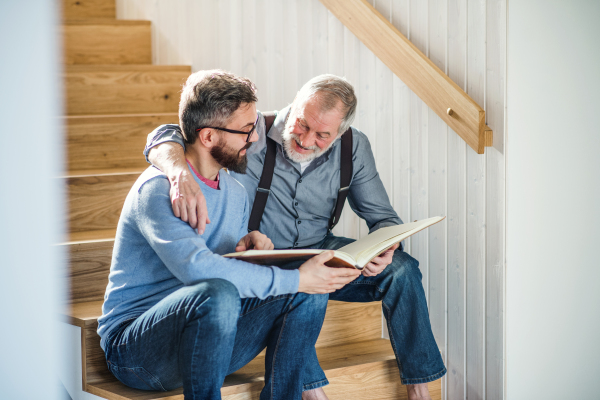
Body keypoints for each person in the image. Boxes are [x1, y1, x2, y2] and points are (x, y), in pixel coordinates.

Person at [144, 74, 446, 400]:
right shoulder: (252, 130)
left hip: (319, 246)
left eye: (322, 135)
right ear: (293, 107)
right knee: (301, 287)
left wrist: (386, 247)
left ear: (341, 132)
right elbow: (175, 131)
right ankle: (310, 388)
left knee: (402, 269)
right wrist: (177, 170)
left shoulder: (353, 146)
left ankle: (420, 387)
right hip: (266, 253)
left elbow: (383, 217)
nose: (306, 139)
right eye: (302, 125)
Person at [97, 70, 361, 400]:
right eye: (247, 130)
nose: (255, 138)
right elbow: (200, 271)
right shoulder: (160, 189)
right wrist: (293, 280)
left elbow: (224, 265)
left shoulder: (235, 192)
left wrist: (249, 246)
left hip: (208, 340)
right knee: (220, 292)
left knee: (312, 288)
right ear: (208, 137)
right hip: (138, 355)